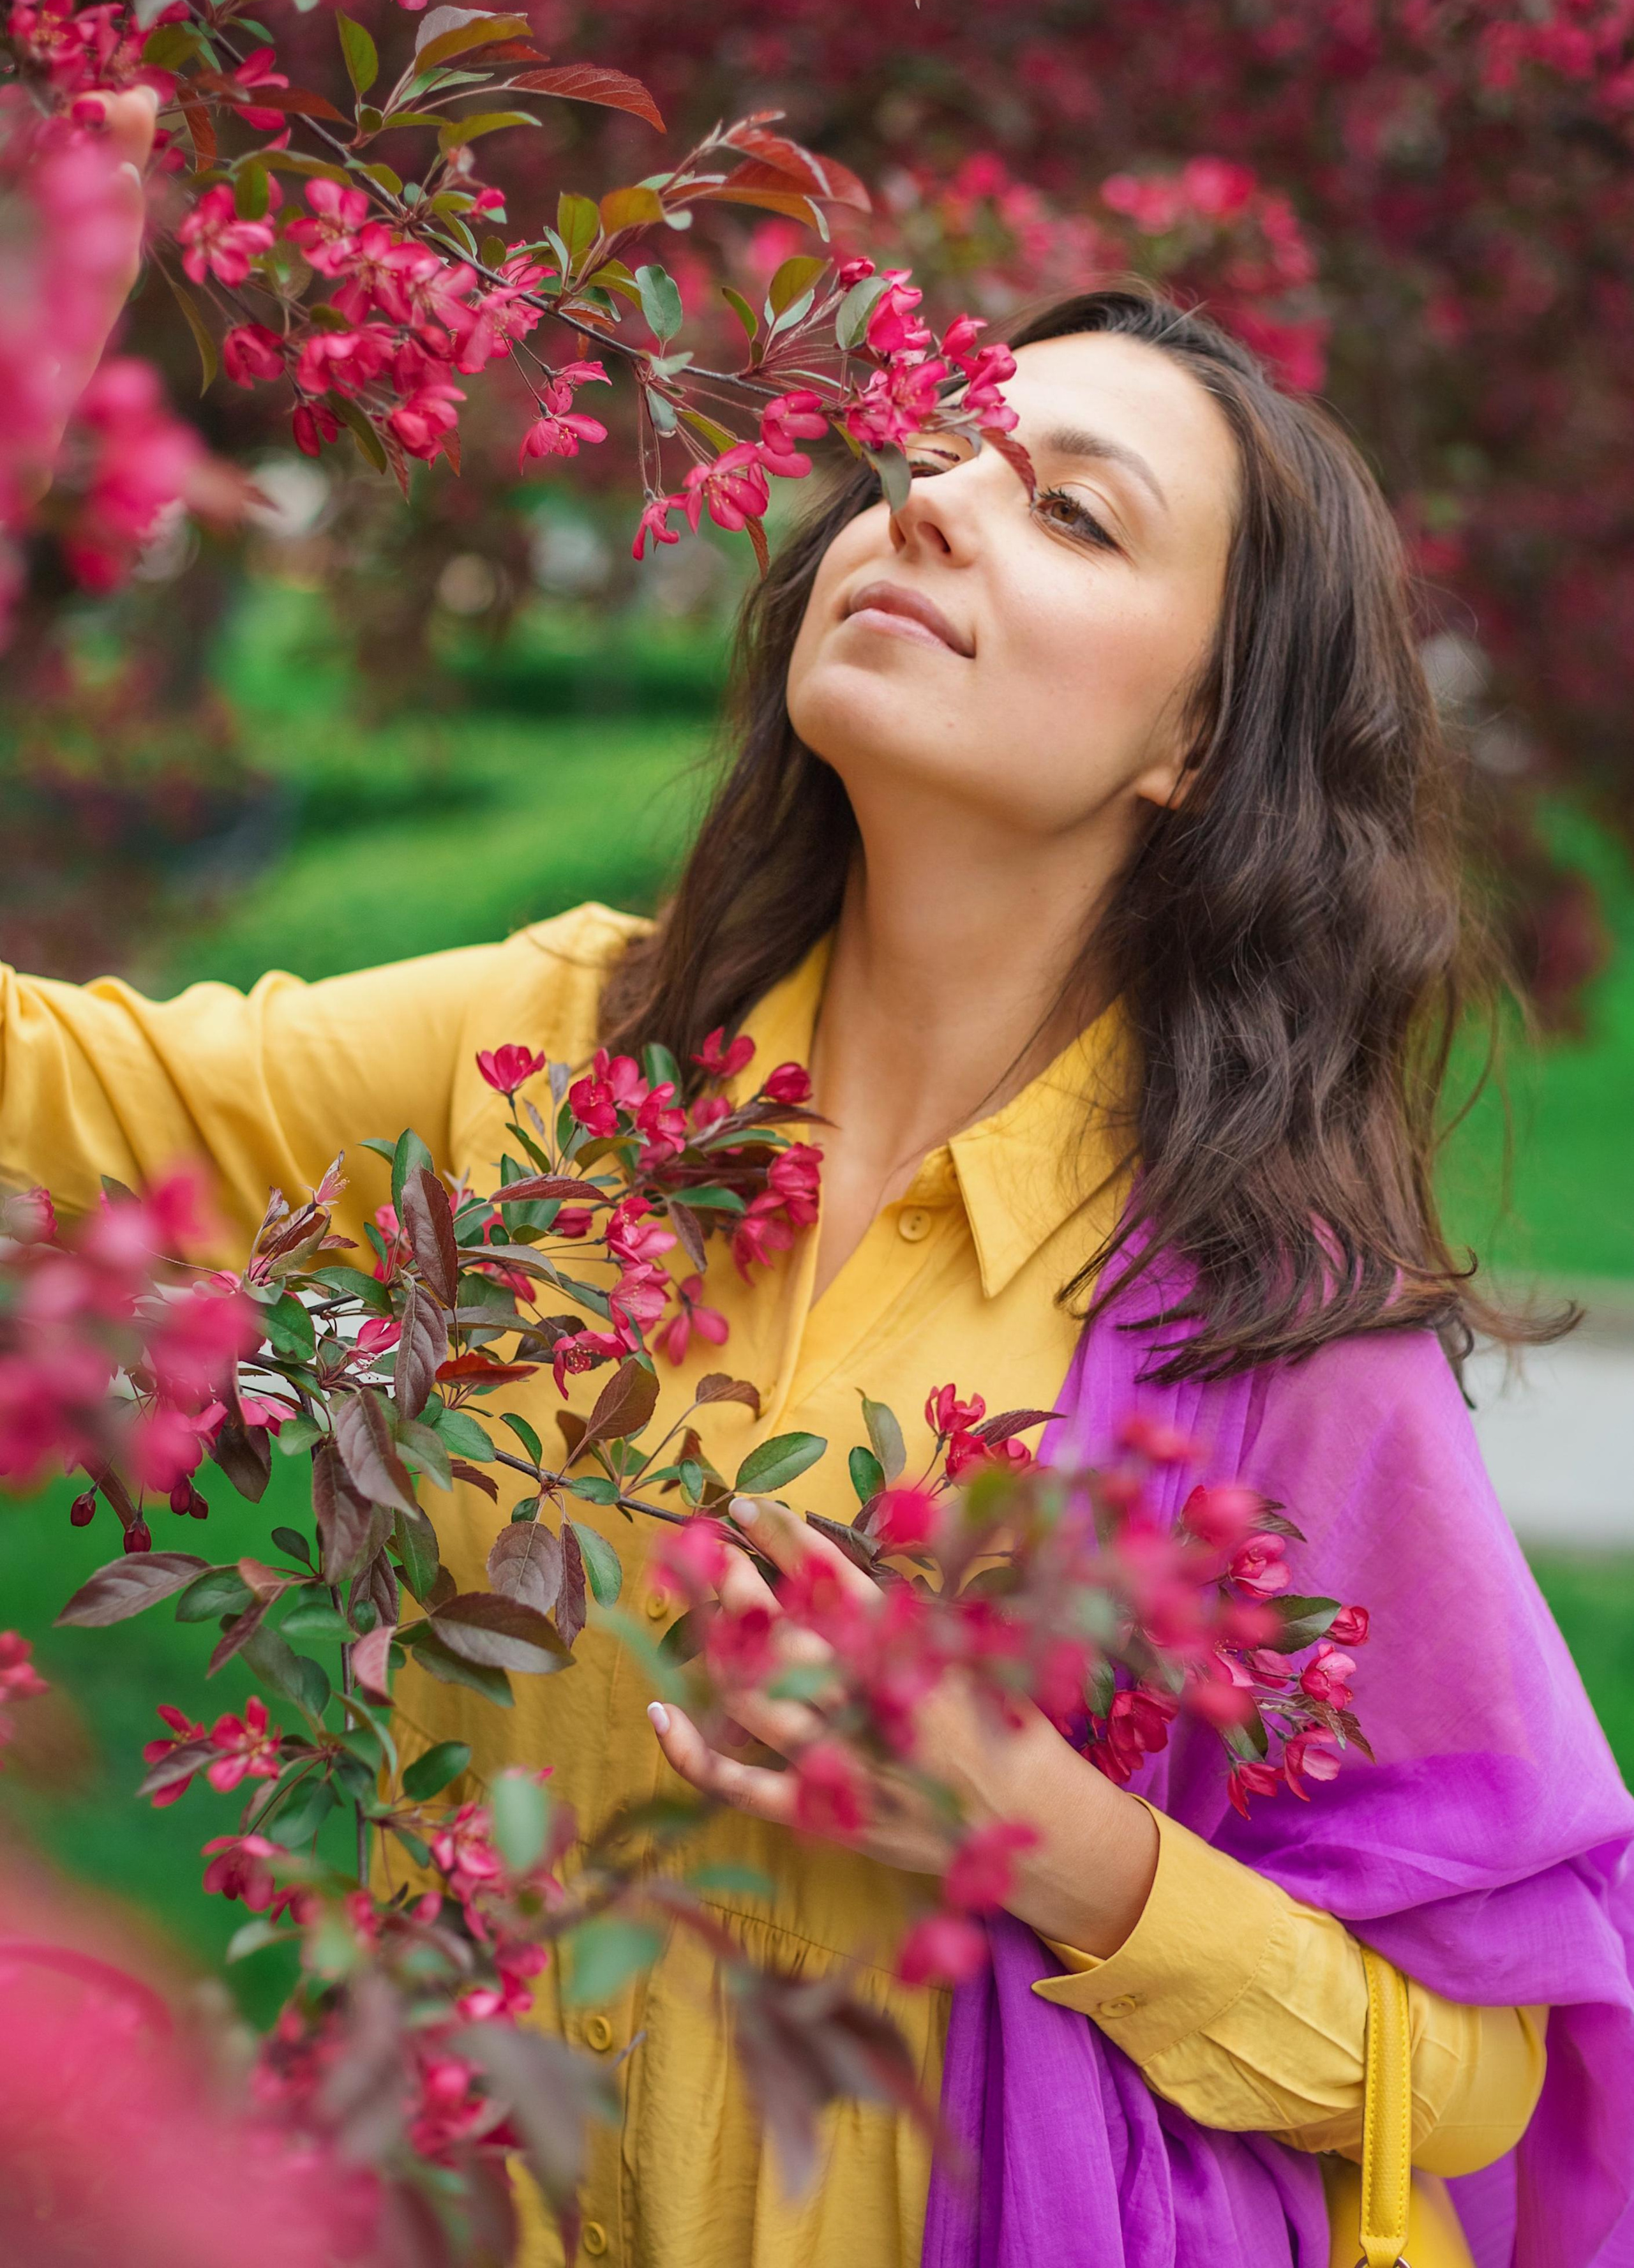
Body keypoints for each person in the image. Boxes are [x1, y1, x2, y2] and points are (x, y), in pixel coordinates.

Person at [5, 285, 1633, 2268]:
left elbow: (1474, 2071)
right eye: (933, 449)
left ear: (1198, 741)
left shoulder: (1263, 1326)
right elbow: (52, 1101)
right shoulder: (567, 1054)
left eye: (1075, 516)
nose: (936, 503)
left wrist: (1057, 1840)